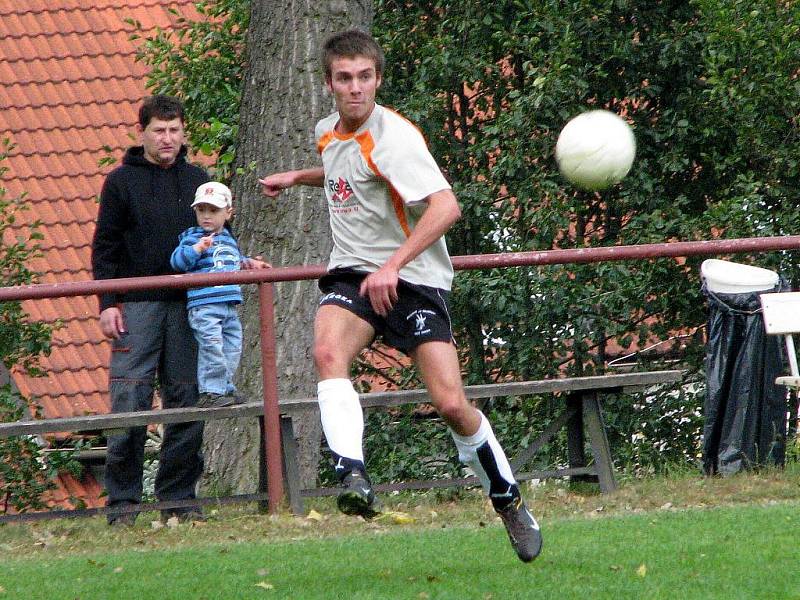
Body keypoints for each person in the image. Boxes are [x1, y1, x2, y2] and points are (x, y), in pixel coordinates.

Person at [259, 29, 542, 562]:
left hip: (412, 280)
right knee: (326, 353)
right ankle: (353, 475)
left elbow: (445, 207)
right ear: (329, 84)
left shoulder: (398, 138)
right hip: (354, 274)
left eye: (365, 77)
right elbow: (349, 172)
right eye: (344, 78)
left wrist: (392, 265)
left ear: (378, 80)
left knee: (452, 404)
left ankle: (507, 500)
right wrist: (298, 178)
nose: (355, 88)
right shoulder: (328, 131)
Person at [92, 95, 209, 526]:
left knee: (186, 401)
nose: (167, 139)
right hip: (135, 308)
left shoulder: (199, 181)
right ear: (142, 132)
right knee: (129, 403)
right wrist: (108, 304)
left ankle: (179, 500)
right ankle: (122, 505)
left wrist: (242, 263)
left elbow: (221, 237)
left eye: (175, 130)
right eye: (159, 130)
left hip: (189, 308)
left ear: (184, 133)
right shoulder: (121, 182)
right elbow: (104, 247)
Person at [170, 181, 268, 407]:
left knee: (232, 346)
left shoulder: (227, 239)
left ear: (228, 213)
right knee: (212, 346)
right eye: (201, 210)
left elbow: (228, 262)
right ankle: (210, 392)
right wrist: (196, 250)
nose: (206, 216)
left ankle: (224, 387)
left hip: (228, 304)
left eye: (213, 211)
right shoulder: (192, 238)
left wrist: (249, 263)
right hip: (205, 304)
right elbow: (177, 261)